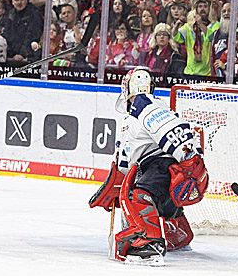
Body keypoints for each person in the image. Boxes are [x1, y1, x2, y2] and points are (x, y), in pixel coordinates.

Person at [87, 68, 208, 265]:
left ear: (127, 89)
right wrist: (116, 184)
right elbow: (127, 158)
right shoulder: (133, 118)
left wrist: (189, 160)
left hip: (162, 164)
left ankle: (149, 244)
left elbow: (171, 128)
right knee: (152, 196)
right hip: (157, 167)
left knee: (140, 197)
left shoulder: (145, 105)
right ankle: (177, 236)